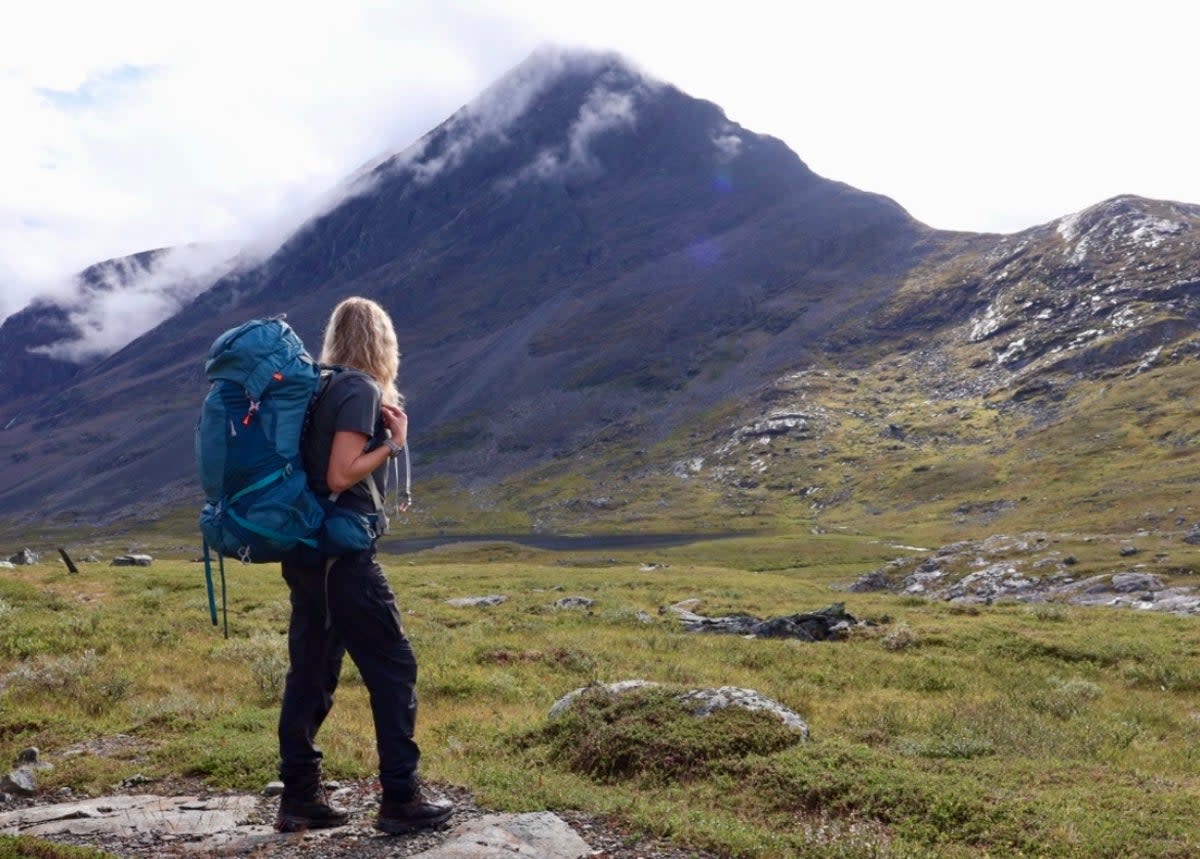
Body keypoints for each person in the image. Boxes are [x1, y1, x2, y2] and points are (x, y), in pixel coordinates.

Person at [274, 296, 453, 835]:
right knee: (394, 669)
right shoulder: (356, 388)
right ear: (383, 342)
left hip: (307, 554)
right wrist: (395, 444)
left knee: (310, 674)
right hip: (343, 561)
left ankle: (300, 799)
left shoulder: (317, 385)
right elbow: (339, 474)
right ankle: (401, 799)